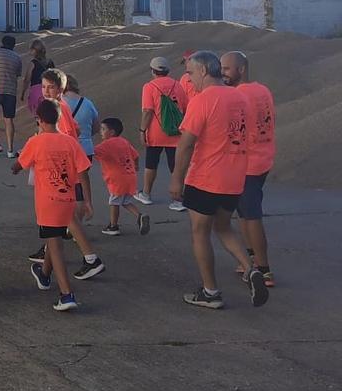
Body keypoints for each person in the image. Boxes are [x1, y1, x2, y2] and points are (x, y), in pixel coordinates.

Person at [170, 51, 268, 310]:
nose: (188, 79)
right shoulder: (241, 97)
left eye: (190, 73)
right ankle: (251, 268)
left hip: (205, 177)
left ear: (203, 71)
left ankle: (211, 291)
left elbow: (186, 144)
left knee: (200, 233)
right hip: (234, 178)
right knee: (224, 227)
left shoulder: (203, 100)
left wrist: (176, 179)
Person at [12, 99, 94, 312]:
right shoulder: (70, 142)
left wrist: (15, 168)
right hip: (67, 200)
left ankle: (66, 294)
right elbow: (83, 169)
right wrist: (86, 200)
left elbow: (20, 164)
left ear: (38, 120)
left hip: (47, 202)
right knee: (54, 238)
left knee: (55, 245)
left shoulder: (36, 141)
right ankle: (44, 274)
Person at [28, 68, 105, 280]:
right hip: (63, 172)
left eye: (50, 87)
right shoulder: (59, 108)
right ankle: (47, 265)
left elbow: (68, 137)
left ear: (61, 88)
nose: (46, 91)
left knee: (67, 218)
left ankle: (91, 258)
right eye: (43, 87)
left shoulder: (58, 110)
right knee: (60, 220)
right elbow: (76, 131)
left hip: (61, 174)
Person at [221, 51, 276, 288]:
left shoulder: (237, 95)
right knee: (244, 212)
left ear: (241, 69)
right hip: (263, 158)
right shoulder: (262, 90)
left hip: (248, 164)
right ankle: (249, 259)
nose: (222, 72)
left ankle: (264, 270)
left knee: (252, 216)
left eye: (226, 68)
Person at [139, 56, 189, 210]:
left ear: (153, 70)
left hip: (155, 132)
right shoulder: (178, 85)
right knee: (176, 166)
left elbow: (148, 111)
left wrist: (142, 130)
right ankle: (178, 199)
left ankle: (146, 194)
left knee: (151, 164)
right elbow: (185, 108)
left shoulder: (149, 86)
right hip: (175, 132)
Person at [94, 117, 149, 236]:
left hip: (117, 179)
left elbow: (92, 152)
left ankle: (113, 226)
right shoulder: (124, 141)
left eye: (103, 129)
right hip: (130, 175)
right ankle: (140, 215)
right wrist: (136, 166)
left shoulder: (106, 144)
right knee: (125, 201)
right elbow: (136, 155)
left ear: (112, 132)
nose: (101, 132)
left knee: (114, 202)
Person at [62, 76, 99, 160]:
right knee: (84, 173)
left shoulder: (59, 103)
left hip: (65, 148)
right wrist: (85, 136)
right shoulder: (88, 103)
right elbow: (96, 127)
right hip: (86, 148)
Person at [21, 39, 54, 116]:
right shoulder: (50, 62)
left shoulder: (33, 63)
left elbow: (27, 79)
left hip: (37, 91)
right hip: (50, 91)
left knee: (39, 116)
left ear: (34, 50)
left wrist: (23, 92)